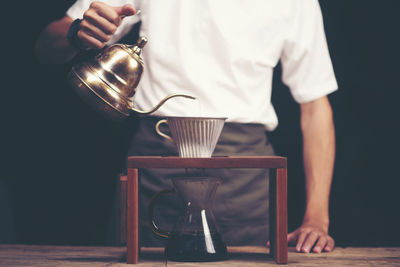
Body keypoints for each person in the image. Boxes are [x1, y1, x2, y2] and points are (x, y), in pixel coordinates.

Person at [35, 0, 337, 253]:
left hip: (246, 179)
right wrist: (77, 33)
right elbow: (45, 47)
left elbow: (314, 104)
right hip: (155, 167)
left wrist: (317, 219)